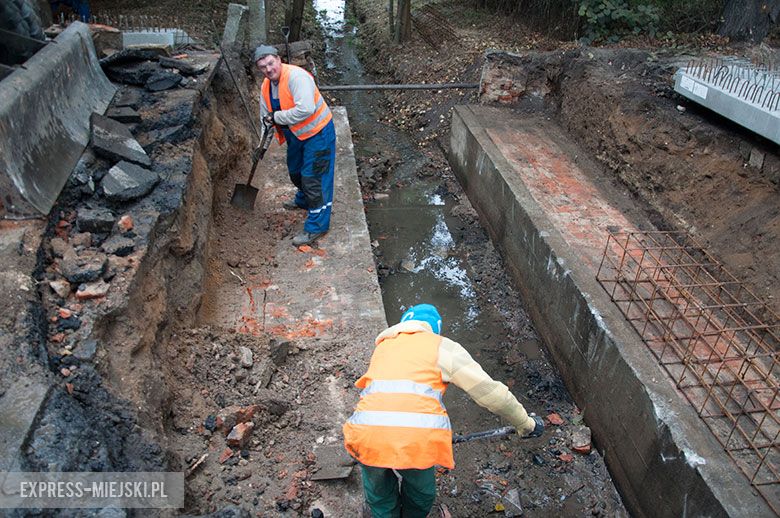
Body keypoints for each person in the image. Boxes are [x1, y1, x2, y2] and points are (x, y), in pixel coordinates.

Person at [343, 304, 544, 518]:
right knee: (420, 493)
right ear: (435, 329)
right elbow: (492, 394)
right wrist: (525, 424)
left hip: (364, 434)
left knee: (379, 492)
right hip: (415, 440)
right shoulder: (441, 347)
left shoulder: (384, 346)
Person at [254, 44, 336, 247]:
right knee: (295, 172)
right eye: (263, 67)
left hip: (318, 134)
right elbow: (266, 119)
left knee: (313, 179)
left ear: (279, 59)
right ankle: (304, 199)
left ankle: (317, 226)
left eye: (271, 63)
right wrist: (261, 147)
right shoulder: (266, 87)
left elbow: (306, 109)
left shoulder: (297, 78)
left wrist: (277, 116)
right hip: (296, 135)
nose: (269, 69)